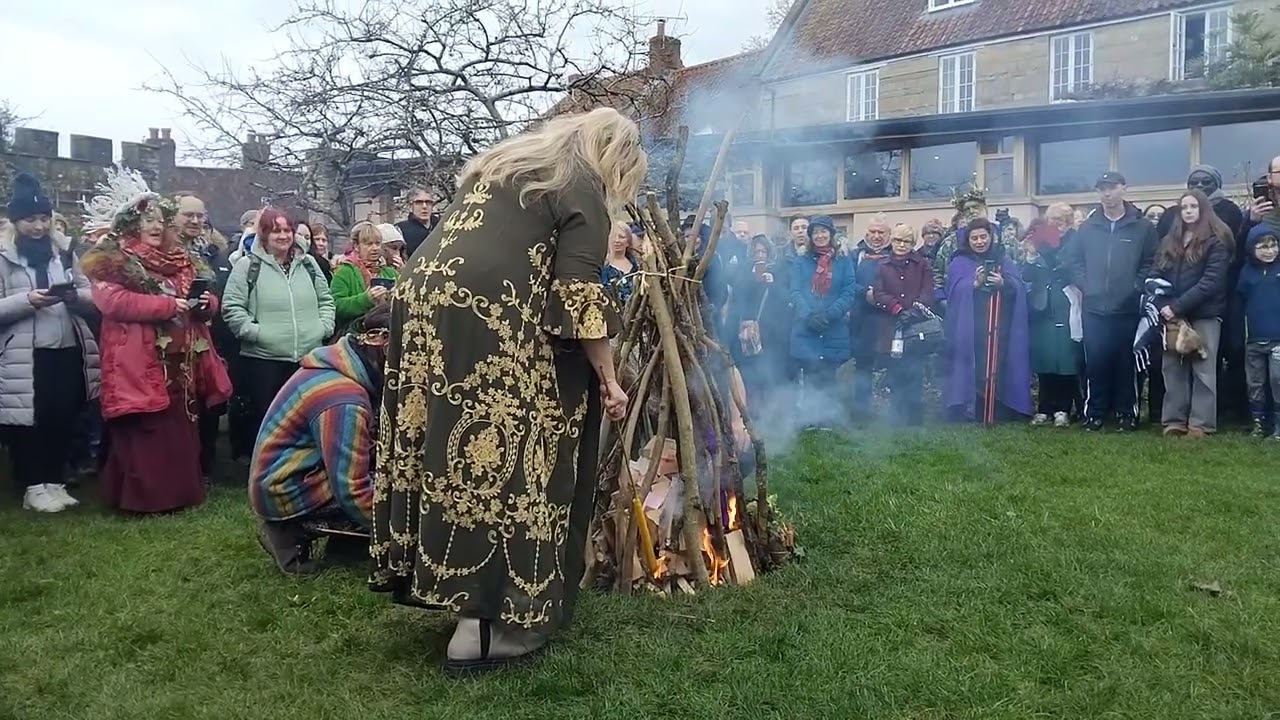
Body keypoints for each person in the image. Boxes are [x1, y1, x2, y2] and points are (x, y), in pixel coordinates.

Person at [370, 107, 640, 674]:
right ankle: (491, 625)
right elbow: (578, 295)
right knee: (514, 453)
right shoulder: (580, 182)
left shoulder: (507, 165)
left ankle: (447, 581)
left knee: (442, 442)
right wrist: (611, 380)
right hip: (488, 317)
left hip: (421, 301)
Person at [79, 168, 231, 513]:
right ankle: (144, 498)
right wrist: (164, 306)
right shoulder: (113, 258)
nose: (155, 226)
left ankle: (179, 493)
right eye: (147, 219)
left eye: (159, 219)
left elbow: (199, 296)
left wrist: (207, 305)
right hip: (135, 357)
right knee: (143, 428)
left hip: (179, 359)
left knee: (179, 426)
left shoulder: (180, 258)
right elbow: (111, 302)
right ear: (131, 223)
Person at [249, 304, 389, 574]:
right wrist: (402, 533)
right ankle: (288, 535)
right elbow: (352, 487)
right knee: (391, 487)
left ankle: (345, 546)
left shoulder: (342, 366)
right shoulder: (342, 399)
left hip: (289, 476)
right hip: (284, 489)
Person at [0, 174, 101, 512]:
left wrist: (75, 297)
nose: (39, 226)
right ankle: (33, 485)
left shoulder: (63, 252)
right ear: (16, 222)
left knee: (63, 416)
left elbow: (90, 292)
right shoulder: (4, 257)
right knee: (31, 420)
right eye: (31, 220)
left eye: (44, 218)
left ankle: (55, 482)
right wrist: (27, 300)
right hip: (25, 354)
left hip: (67, 347)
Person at [221, 208, 336, 450]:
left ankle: (301, 473)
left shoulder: (308, 264)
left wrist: (323, 327)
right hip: (265, 360)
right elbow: (232, 308)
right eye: (276, 231)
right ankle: (266, 472)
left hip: (307, 357)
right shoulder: (247, 266)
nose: (283, 236)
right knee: (268, 423)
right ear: (264, 235)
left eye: (287, 230)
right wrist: (256, 334)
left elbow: (326, 299)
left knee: (304, 421)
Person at [1060, 172, 1159, 432]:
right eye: (1102, 189)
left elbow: (1151, 262)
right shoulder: (1088, 228)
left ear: (1124, 189)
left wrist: (1135, 287)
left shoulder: (1143, 227)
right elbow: (1074, 261)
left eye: (1112, 188)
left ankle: (1129, 413)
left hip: (1127, 307)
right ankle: (1094, 413)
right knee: (1096, 362)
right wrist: (1086, 285)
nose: (1107, 193)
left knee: (1128, 363)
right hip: (1094, 308)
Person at [1152, 189, 1233, 438]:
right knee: (1172, 367)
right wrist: (1163, 304)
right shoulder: (1170, 240)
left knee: (1203, 369)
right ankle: (1174, 421)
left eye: (1193, 206)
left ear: (1203, 209)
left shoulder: (1217, 239)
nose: (1188, 211)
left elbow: (1211, 282)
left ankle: (1201, 424)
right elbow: (1156, 273)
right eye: (1184, 207)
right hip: (1172, 316)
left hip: (1205, 314)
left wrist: (1177, 306)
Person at [942, 217, 1032, 424]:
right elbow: (954, 291)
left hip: (1001, 325)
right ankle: (968, 407)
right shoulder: (959, 261)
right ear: (968, 240)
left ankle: (1000, 408)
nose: (980, 241)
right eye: (975, 238)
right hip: (971, 327)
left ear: (991, 237)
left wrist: (1004, 282)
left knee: (998, 364)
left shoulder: (1003, 259)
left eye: (984, 237)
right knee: (973, 364)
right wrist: (973, 284)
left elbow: (1018, 286)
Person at [787, 214, 856, 428]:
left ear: (831, 234)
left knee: (828, 372)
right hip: (806, 325)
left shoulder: (843, 260)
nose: (819, 235)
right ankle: (809, 418)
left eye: (823, 231)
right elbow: (795, 290)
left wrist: (830, 314)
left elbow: (848, 290)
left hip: (832, 325)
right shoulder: (801, 260)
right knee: (809, 373)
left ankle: (827, 417)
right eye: (815, 232)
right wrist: (808, 314)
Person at [1021, 205, 1083, 427]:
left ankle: (1063, 409)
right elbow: (1026, 275)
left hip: (1065, 303)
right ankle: (1044, 407)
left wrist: (1042, 249)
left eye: (1059, 219)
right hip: (1042, 306)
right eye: (1050, 220)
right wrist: (1029, 255)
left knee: (1064, 359)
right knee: (1045, 357)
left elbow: (1064, 267)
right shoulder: (1042, 240)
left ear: (1068, 221)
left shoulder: (1075, 241)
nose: (1054, 224)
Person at [870, 223, 934, 426]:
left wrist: (915, 311)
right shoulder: (882, 265)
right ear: (892, 240)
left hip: (916, 325)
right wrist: (896, 308)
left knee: (914, 371)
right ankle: (897, 416)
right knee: (896, 371)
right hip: (891, 324)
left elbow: (928, 291)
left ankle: (914, 417)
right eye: (898, 240)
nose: (901, 244)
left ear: (913, 243)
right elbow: (878, 293)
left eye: (906, 241)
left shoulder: (922, 264)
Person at [1238, 225, 1280, 438]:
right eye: (1263, 246)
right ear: (1251, 249)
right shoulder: (1246, 273)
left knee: (1277, 380)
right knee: (1255, 381)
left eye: (1273, 245)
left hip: (1278, 339)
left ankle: (1278, 424)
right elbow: (1239, 301)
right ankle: (1258, 422)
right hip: (1254, 338)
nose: (1269, 251)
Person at [330, 222, 398, 333]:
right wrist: (366, 299)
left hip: (387, 334)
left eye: (377, 243)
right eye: (369, 244)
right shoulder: (344, 271)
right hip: (354, 335)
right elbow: (336, 307)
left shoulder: (391, 273)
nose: (375, 248)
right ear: (357, 246)